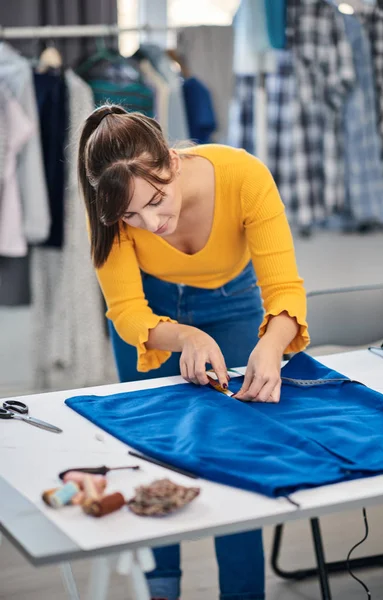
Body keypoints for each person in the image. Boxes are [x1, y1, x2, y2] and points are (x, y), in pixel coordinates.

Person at [78, 104, 310, 600]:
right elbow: (125, 310)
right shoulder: (113, 197)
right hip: (154, 317)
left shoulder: (243, 175)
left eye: (157, 201)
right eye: (130, 216)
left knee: (236, 451)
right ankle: (160, 587)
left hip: (232, 303)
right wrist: (181, 335)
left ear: (173, 162)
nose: (150, 223)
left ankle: (244, 592)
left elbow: (285, 289)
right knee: (151, 451)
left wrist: (270, 344)